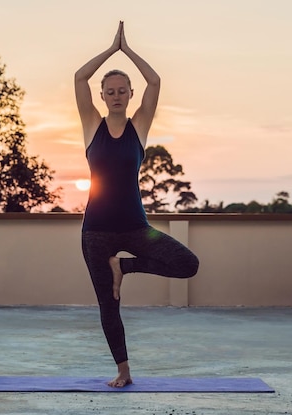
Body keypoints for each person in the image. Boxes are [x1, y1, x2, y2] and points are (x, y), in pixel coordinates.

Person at [75, 21, 200, 388]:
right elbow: (79, 78)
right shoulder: (91, 126)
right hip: (95, 231)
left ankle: (123, 267)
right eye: (110, 91)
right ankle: (124, 370)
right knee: (108, 306)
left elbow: (156, 83)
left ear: (130, 94)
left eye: (122, 91)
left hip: (135, 226)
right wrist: (110, 50)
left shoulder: (138, 127)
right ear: (102, 96)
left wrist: (127, 50)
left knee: (187, 263)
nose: (116, 96)